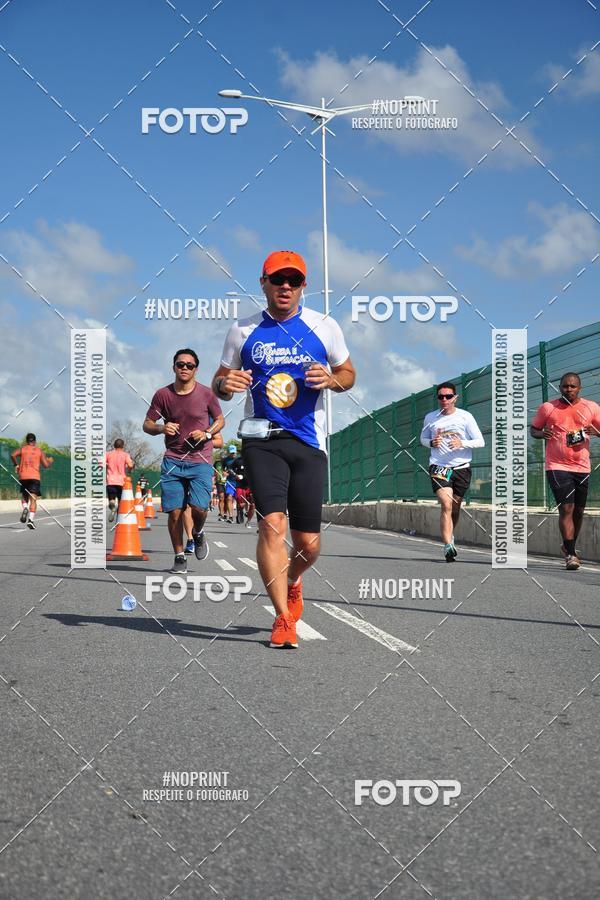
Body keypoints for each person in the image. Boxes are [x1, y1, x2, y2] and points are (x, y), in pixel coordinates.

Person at [212, 250, 355, 648]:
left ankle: (293, 579)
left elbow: (349, 374)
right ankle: (282, 618)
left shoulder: (324, 326)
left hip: (309, 440)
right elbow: (219, 380)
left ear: (304, 286)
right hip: (261, 439)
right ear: (264, 284)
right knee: (271, 524)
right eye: (278, 280)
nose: (285, 287)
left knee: (308, 544)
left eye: (294, 280)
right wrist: (227, 385)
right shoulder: (242, 331)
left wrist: (331, 379)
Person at [143, 348, 224, 574]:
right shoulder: (162, 395)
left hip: (201, 460)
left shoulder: (207, 394)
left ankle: (198, 534)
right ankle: (179, 556)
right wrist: (161, 427)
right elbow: (147, 424)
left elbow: (220, 420)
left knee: (199, 508)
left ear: (196, 369)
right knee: (175, 511)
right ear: (174, 367)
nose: (185, 368)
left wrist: (207, 433)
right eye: (181, 364)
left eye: (189, 365)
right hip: (173, 460)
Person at [530, 372, 600, 570]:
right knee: (566, 508)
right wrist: (541, 434)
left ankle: (568, 545)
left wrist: (597, 432)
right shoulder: (548, 408)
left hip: (582, 466)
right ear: (560, 387)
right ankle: (570, 555)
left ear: (580, 388)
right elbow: (533, 429)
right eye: (565, 386)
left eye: (572, 386)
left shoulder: (591, 407)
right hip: (557, 466)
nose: (568, 389)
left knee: (579, 511)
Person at [420, 382, 485, 562]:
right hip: (439, 466)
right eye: (441, 396)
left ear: (455, 398)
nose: (444, 400)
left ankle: (451, 535)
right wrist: (431, 443)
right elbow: (422, 438)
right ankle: (448, 545)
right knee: (446, 504)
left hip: (462, 467)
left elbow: (480, 441)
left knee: (455, 507)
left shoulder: (465, 417)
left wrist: (462, 443)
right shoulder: (431, 418)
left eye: (448, 396)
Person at [11, 433, 54, 529]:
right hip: (35, 477)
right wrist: (50, 461)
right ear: (35, 441)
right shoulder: (39, 451)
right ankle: (30, 520)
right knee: (33, 499)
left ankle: (25, 508)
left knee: (24, 496)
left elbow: (13, 455)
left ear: (27, 441)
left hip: (23, 477)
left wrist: (16, 465)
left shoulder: (23, 449)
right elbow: (46, 465)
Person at [105, 439, 134, 522]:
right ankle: (119, 520)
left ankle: (112, 506)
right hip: (122, 482)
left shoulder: (108, 454)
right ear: (123, 446)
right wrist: (130, 468)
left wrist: (108, 465)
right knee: (121, 502)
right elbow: (130, 465)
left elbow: (101, 464)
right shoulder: (125, 455)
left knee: (112, 499)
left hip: (111, 480)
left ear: (114, 445)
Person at [230, 454, 255, 528]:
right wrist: (235, 475)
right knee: (241, 504)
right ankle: (239, 512)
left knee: (253, 504)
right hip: (240, 485)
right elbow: (230, 469)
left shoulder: (254, 460)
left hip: (251, 485)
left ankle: (248, 521)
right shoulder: (238, 460)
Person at [222, 444, 239, 524]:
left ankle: (239, 514)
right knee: (229, 498)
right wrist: (224, 473)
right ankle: (230, 517)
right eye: (231, 453)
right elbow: (223, 470)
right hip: (230, 482)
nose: (233, 454)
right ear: (229, 452)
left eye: (234, 453)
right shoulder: (225, 460)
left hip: (239, 482)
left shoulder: (240, 459)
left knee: (239, 500)